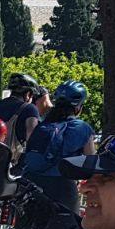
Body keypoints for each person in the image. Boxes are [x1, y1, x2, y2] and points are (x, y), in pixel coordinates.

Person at [19, 80, 98, 213]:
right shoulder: (82, 128)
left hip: (31, 183)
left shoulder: (41, 126)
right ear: (78, 107)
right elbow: (92, 164)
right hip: (62, 187)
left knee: (28, 227)